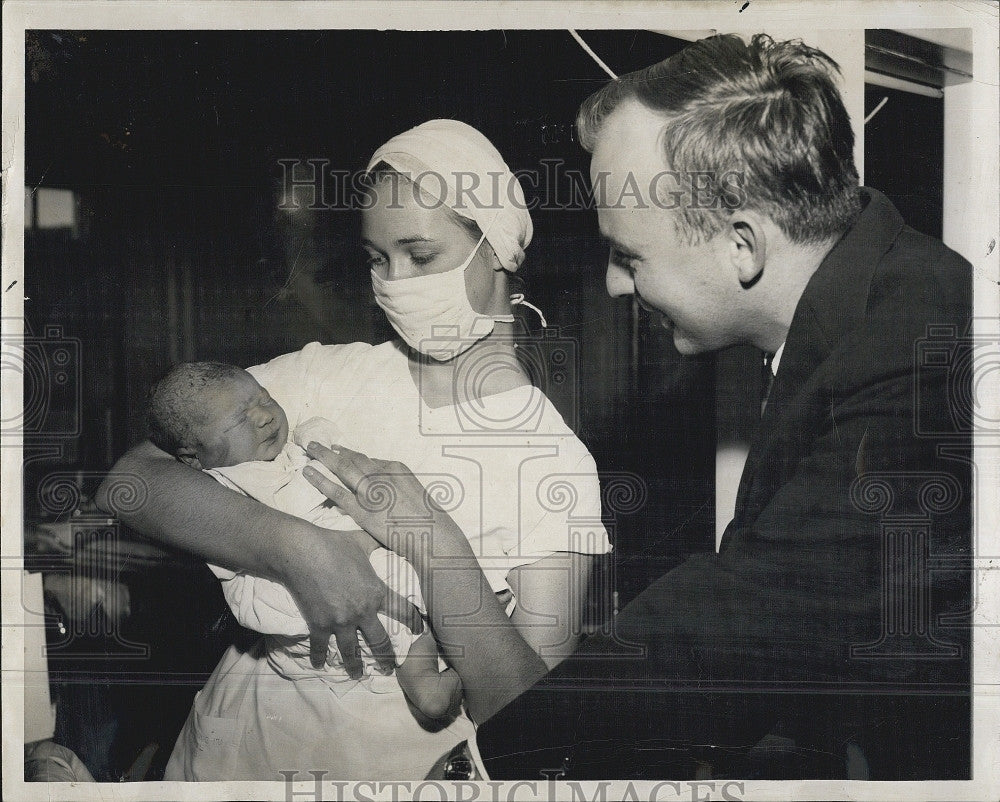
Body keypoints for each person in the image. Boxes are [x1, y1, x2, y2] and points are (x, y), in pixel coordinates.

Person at [302, 34, 972, 780]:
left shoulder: (923, 342)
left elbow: (749, 616)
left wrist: (489, 757)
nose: (617, 287)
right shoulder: (870, 312)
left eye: (629, 256)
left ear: (742, 245)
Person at [97, 120, 611, 779]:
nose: (393, 282)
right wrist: (297, 547)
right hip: (233, 757)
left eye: (420, 256)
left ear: (500, 247)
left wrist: (434, 546)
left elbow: (535, 723)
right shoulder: (326, 375)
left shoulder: (552, 463)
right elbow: (131, 481)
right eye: (376, 258)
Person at [142, 361, 465, 779]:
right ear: (194, 459)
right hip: (294, 616)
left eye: (263, 398)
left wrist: (320, 444)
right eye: (240, 419)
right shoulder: (222, 488)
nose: (262, 415)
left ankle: (426, 685)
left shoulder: (301, 446)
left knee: (411, 602)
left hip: (378, 575)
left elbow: (350, 465)